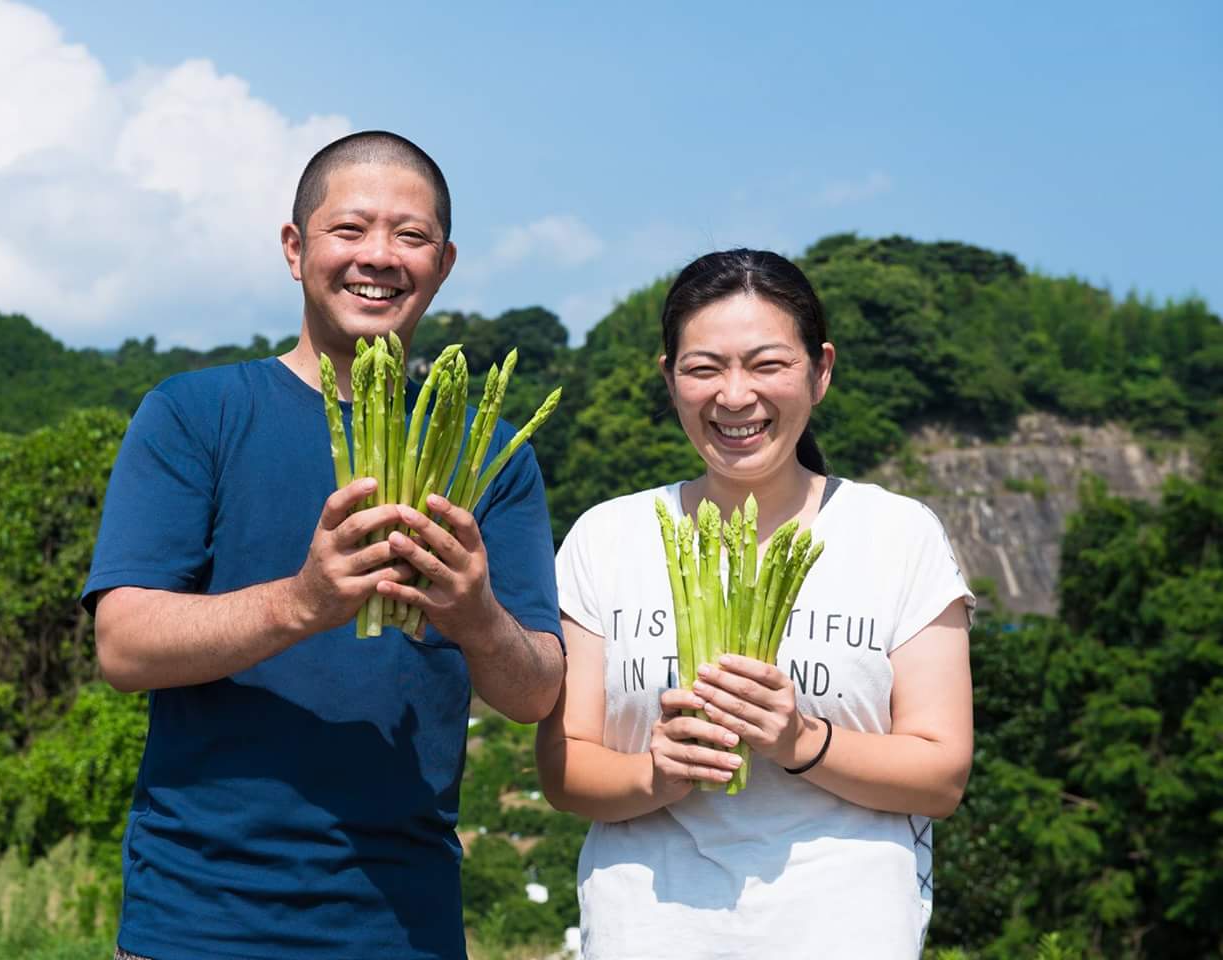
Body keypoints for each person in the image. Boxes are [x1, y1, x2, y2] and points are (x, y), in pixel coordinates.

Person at [83, 131, 565, 960]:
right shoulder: (195, 414)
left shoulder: (494, 453)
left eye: (409, 236)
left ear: (443, 262)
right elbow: (124, 645)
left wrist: (476, 613)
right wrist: (306, 602)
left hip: (403, 925)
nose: (378, 257)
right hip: (198, 923)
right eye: (350, 229)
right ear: (294, 247)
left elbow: (533, 693)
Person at [536, 248, 974, 959]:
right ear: (668, 378)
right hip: (646, 930)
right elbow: (563, 768)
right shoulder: (607, 536)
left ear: (820, 370)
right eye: (703, 368)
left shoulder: (897, 534)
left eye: (766, 364)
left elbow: (941, 776)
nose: (734, 396)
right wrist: (657, 773)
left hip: (845, 929)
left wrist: (799, 740)